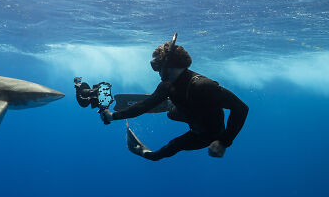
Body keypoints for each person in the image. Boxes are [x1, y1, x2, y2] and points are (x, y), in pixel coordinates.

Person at [99, 38, 248, 160]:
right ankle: (172, 104)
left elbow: (241, 108)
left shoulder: (203, 86)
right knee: (171, 113)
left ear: (167, 65)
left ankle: (172, 104)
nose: (156, 71)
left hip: (209, 134)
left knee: (157, 155)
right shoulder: (167, 85)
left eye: (156, 66)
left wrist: (224, 142)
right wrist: (113, 116)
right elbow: (144, 106)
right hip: (189, 115)